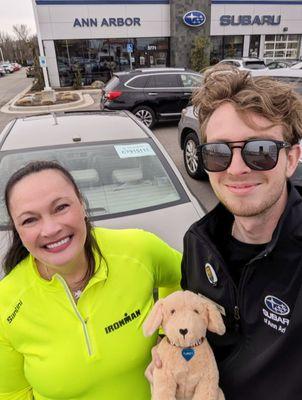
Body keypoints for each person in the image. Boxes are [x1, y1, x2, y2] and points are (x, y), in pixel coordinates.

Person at [146, 67, 302, 399]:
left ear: (291, 158)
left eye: (259, 151)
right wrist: (170, 351)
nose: (235, 168)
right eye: (218, 153)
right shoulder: (199, 243)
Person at [0, 160, 181, 400]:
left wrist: (169, 331)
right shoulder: (6, 302)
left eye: (61, 207)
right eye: (30, 220)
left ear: (82, 205)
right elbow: (12, 393)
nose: (51, 229)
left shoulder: (139, 250)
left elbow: (186, 276)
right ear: (18, 231)